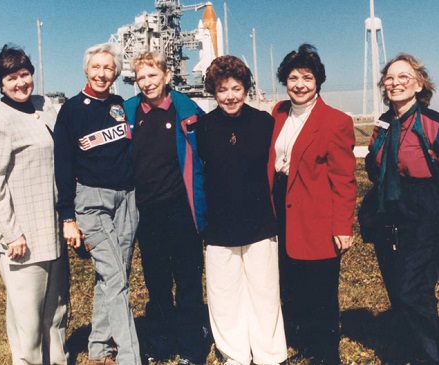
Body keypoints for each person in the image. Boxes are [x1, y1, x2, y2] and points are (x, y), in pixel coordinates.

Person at [0, 44, 69, 365]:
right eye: (11, 77)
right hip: (22, 238)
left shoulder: (44, 106)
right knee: (27, 320)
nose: (20, 82)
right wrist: (12, 233)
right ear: (0, 83)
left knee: (56, 312)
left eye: (25, 74)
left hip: (52, 229)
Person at [53, 43, 141, 365]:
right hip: (91, 201)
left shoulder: (119, 105)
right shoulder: (72, 109)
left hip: (127, 199)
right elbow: (62, 166)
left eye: (108, 68)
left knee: (114, 275)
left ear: (116, 72)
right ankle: (132, 357)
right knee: (116, 278)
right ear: (86, 69)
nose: (102, 73)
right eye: (97, 67)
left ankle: (99, 348)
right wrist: (68, 216)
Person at [269, 44, 357, 365]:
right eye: (293, 78)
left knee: (319, 289)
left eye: (306, 77)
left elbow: (345, 179)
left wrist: (342, 227)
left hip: (315, 213)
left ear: (318, 81)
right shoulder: (278, 112)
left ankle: (325, 354)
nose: (299, 85)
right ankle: (303, 345)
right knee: (289, 283)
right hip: (280, 208)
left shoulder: (335, 121)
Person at [197, 55, 287, 365]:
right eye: (223, 90)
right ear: (214, 92)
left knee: (264, 293)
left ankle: (270, 355)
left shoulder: (264, 122)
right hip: (220, 227)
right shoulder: (203, 127)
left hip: (260, 223)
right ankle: (233, 354)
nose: (231, 96)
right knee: (224, 296)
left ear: (246, 88)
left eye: (236, 88)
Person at [122, 51, 209, 365]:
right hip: (147, 213)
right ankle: (161, 341)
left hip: (182, 211)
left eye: (152, 76)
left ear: (166, 76)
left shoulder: (188, 109)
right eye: (141, 78)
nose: (147, 83)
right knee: (156, 281)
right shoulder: (129, 112)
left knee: (187, 280)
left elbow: (206, 157)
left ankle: (190, 347)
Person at [363, 53, 439, 365]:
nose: (396, 83)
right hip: (388, 207)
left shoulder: (434, 123)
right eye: (389, 78)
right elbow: (372, 164)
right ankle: (409, 350)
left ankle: (434, 356)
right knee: (397, 287)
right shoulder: (383, 123)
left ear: (419, 83)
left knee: (415, 288)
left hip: (424, 208)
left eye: (404, 77)